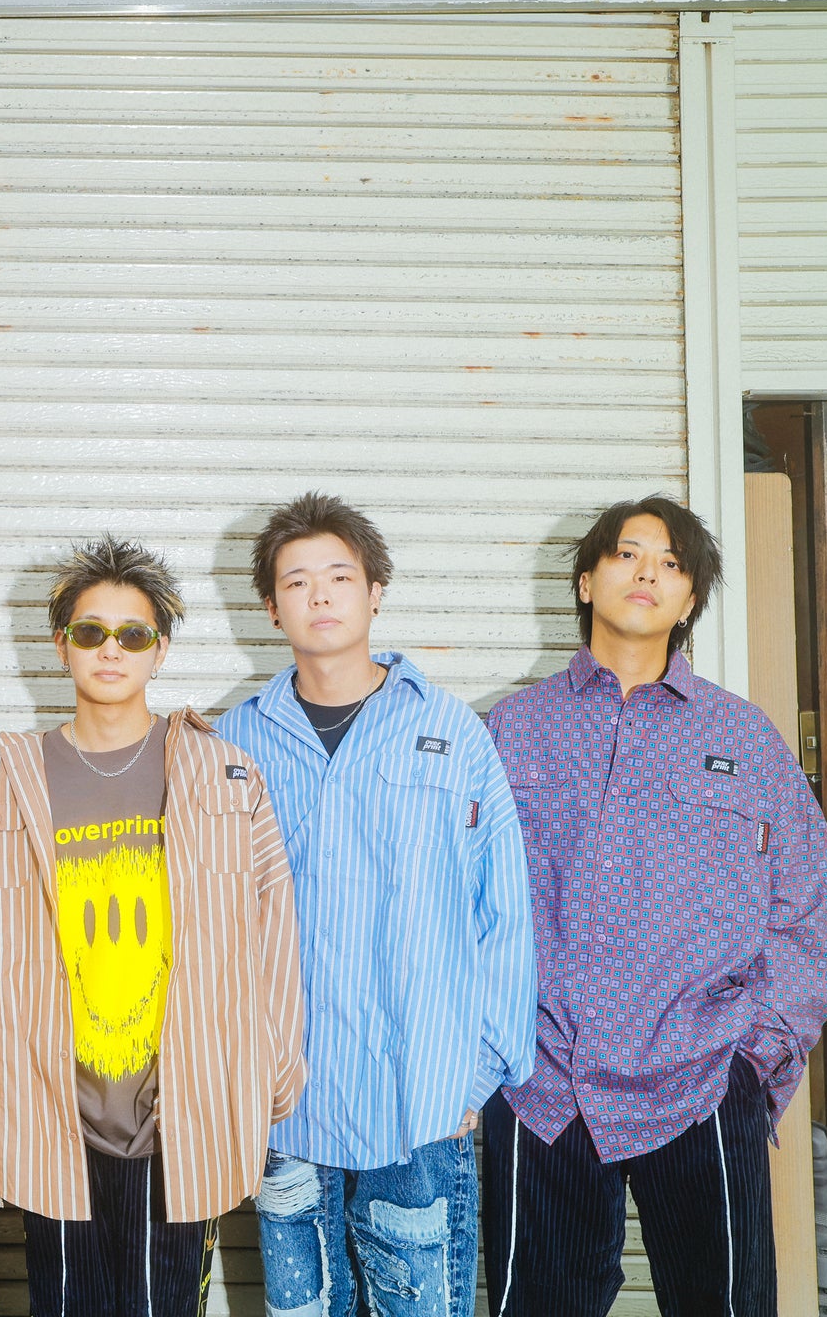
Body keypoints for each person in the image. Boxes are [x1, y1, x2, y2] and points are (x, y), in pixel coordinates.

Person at [480, 495, 827, 1317]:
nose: (648, 572)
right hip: (544, 1082)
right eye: (627, 554)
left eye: (672, 564)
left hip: (701, 1074)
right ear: (585, 581)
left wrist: (758, 1053)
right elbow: (461, 894)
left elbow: (807, 893)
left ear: (689, 601)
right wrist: (489, 1048)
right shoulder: (515, 729)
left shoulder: (742, 736)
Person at [0, 535, 305, 1317]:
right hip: (51, 1112)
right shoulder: (9, 783)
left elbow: (273, 928)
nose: (111, 650)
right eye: (91, 631)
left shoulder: (222, 776)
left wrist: (269, 1078)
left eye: (133, 634)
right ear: (60, 644)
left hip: (183, 1112)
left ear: (160, 648)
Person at [214, 491, 535, 1317]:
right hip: (286, 1100)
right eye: (296, 581)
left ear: (375, 592)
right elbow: (210, 917)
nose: (319, 595)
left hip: (418, 1098)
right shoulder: (235, 741)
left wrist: (477, 1070)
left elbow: (503, 908)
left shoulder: (452, 732)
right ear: (270, 606)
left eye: (339, 576)